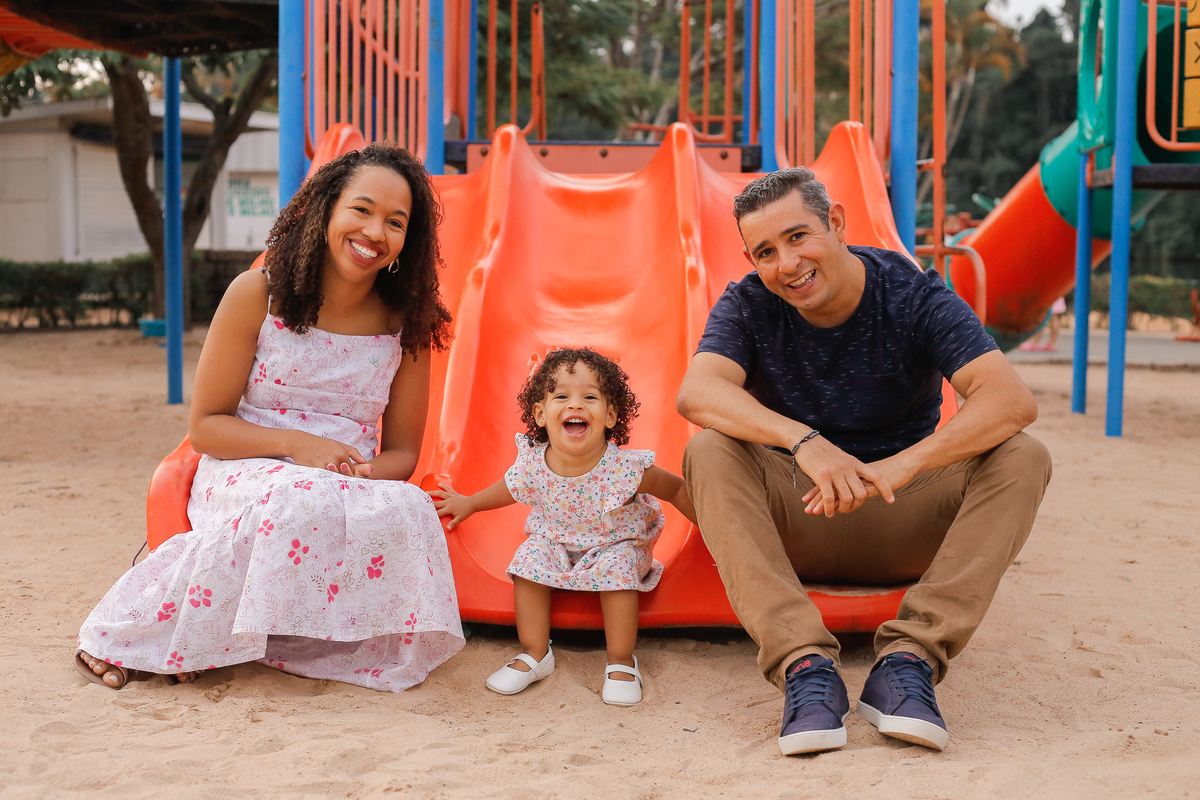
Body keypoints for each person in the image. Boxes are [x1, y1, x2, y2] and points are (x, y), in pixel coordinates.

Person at [676, 168, 1051, 754]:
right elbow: (697, 393)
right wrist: (804, 441)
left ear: (838, 223)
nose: (787, 264)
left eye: (799, 237)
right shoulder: (749, 303)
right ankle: (803, 665)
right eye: (766, 252)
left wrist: (903, 465)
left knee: (1023, 456)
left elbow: (1010, 400)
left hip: (904, 514)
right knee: (709, 447)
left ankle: (910, 660)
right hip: (799, 514)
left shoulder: (914, 294)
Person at [75, 143, 465, 693]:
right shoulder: (257, 293)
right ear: (326, 209)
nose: (375, 231)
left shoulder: (409, 322)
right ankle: (138, 636)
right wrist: (298, 447)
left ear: (408, 240)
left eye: (395, 222)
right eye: (362, 209)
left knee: (410, 509)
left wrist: (359, 475)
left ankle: (300, 640)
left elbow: (402, 454)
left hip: (349, 476)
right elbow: (206, 425)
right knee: (296, 499)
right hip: (251, 461)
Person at [429, 347, 697, 706]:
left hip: (616, 543)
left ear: (611, 414)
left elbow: (676, 488)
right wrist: (469, 503)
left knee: (616, 569)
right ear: (540, 414)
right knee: (527, 560)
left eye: (590, 397)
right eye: (561, 397)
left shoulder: (626, 468)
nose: (576, 405)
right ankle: (534, 654)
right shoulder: (534, 464)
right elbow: (507, 489)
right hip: (556, 541)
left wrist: (708, 521)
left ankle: (620, 660)